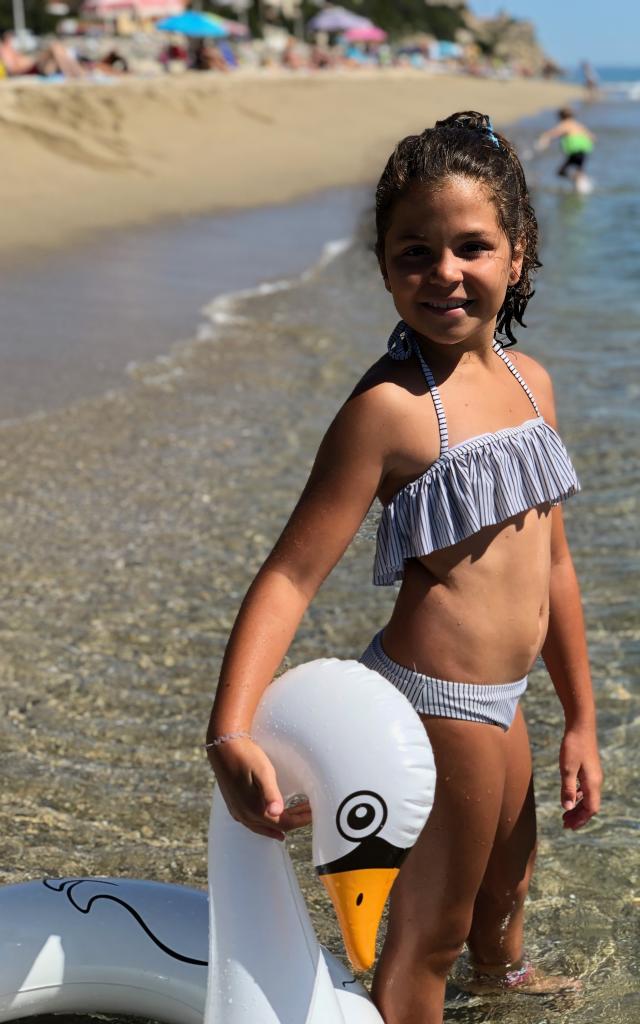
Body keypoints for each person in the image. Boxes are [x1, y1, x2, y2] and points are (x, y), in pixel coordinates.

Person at [205, 111, 602, 1024]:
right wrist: (231, 731)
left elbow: (554, 569)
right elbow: (289, 576)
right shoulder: (387, 412)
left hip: (507, 706)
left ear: (518, 251)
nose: (445, 273)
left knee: (507, 898)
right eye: (414, 253)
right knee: (430, 932)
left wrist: (580, 716)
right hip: (435, 701)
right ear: (382, 264)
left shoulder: (531, 383)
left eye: (472, 246)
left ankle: (506, 997)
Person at [537, 107, 595, 192]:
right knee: (579, 172)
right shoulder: (578, 124)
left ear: (560, 117)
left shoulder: (565, 124)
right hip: (584, 152)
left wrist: (544, 138)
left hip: (574, 152)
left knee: (561, 172)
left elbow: (554, 133)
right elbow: (592, 137)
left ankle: (576, 181)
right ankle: (581, 187)